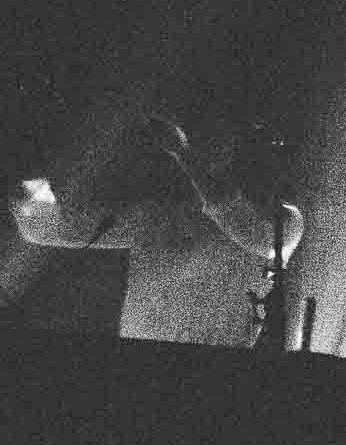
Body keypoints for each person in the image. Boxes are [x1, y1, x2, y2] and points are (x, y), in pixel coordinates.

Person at [8, 115, 304, 346]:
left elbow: (251, 233)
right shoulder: (158, 217)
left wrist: (184, 153)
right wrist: (22, 179)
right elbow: (48, 228)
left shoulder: (287, 221)